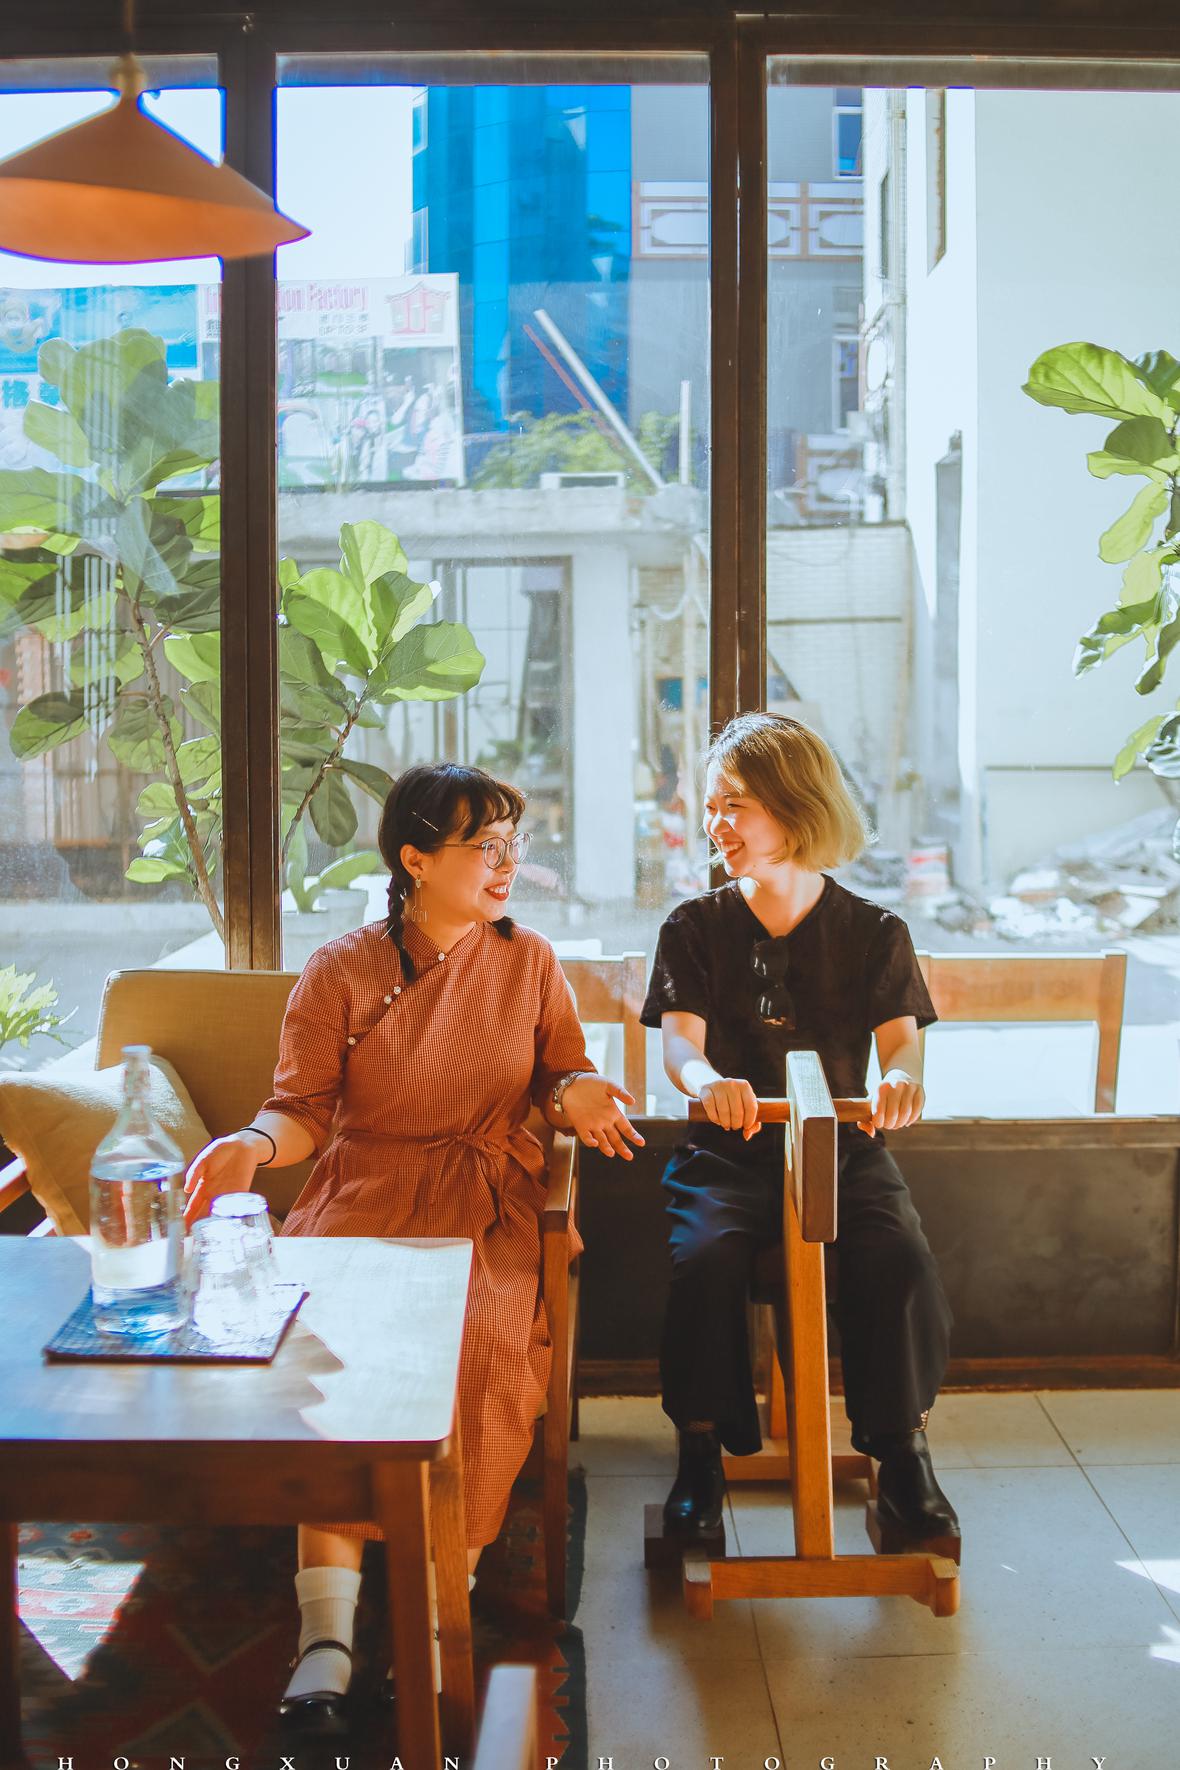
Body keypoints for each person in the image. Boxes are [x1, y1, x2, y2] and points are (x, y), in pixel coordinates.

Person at [184, 762, 644, 1724]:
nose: (508, 864)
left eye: (514, 844)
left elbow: (559, 1077)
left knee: (479, 1337)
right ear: (416, 859)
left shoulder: (530, 961)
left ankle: (439, 1613)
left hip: (485, 1196)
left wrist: (580, 1094)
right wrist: (251, 1147)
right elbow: (300, 1109)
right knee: (326, 1342)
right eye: (487, 846)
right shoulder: (341, 968)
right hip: (366, 1191)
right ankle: (326, 1634)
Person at [640, 712, 958, 1550]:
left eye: (735, 805)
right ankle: (701, 1453)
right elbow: (681, 1047)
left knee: (899, 1256)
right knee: (705, 1260)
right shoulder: (691, 926)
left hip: (843, 1151)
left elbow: (902, 1048)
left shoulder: (877, 932)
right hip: (725, 1154)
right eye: (713, 805)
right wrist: (708, 1085)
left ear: (795, 805)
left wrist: (900, 1082)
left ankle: (902, 1454)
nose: (716, 824)